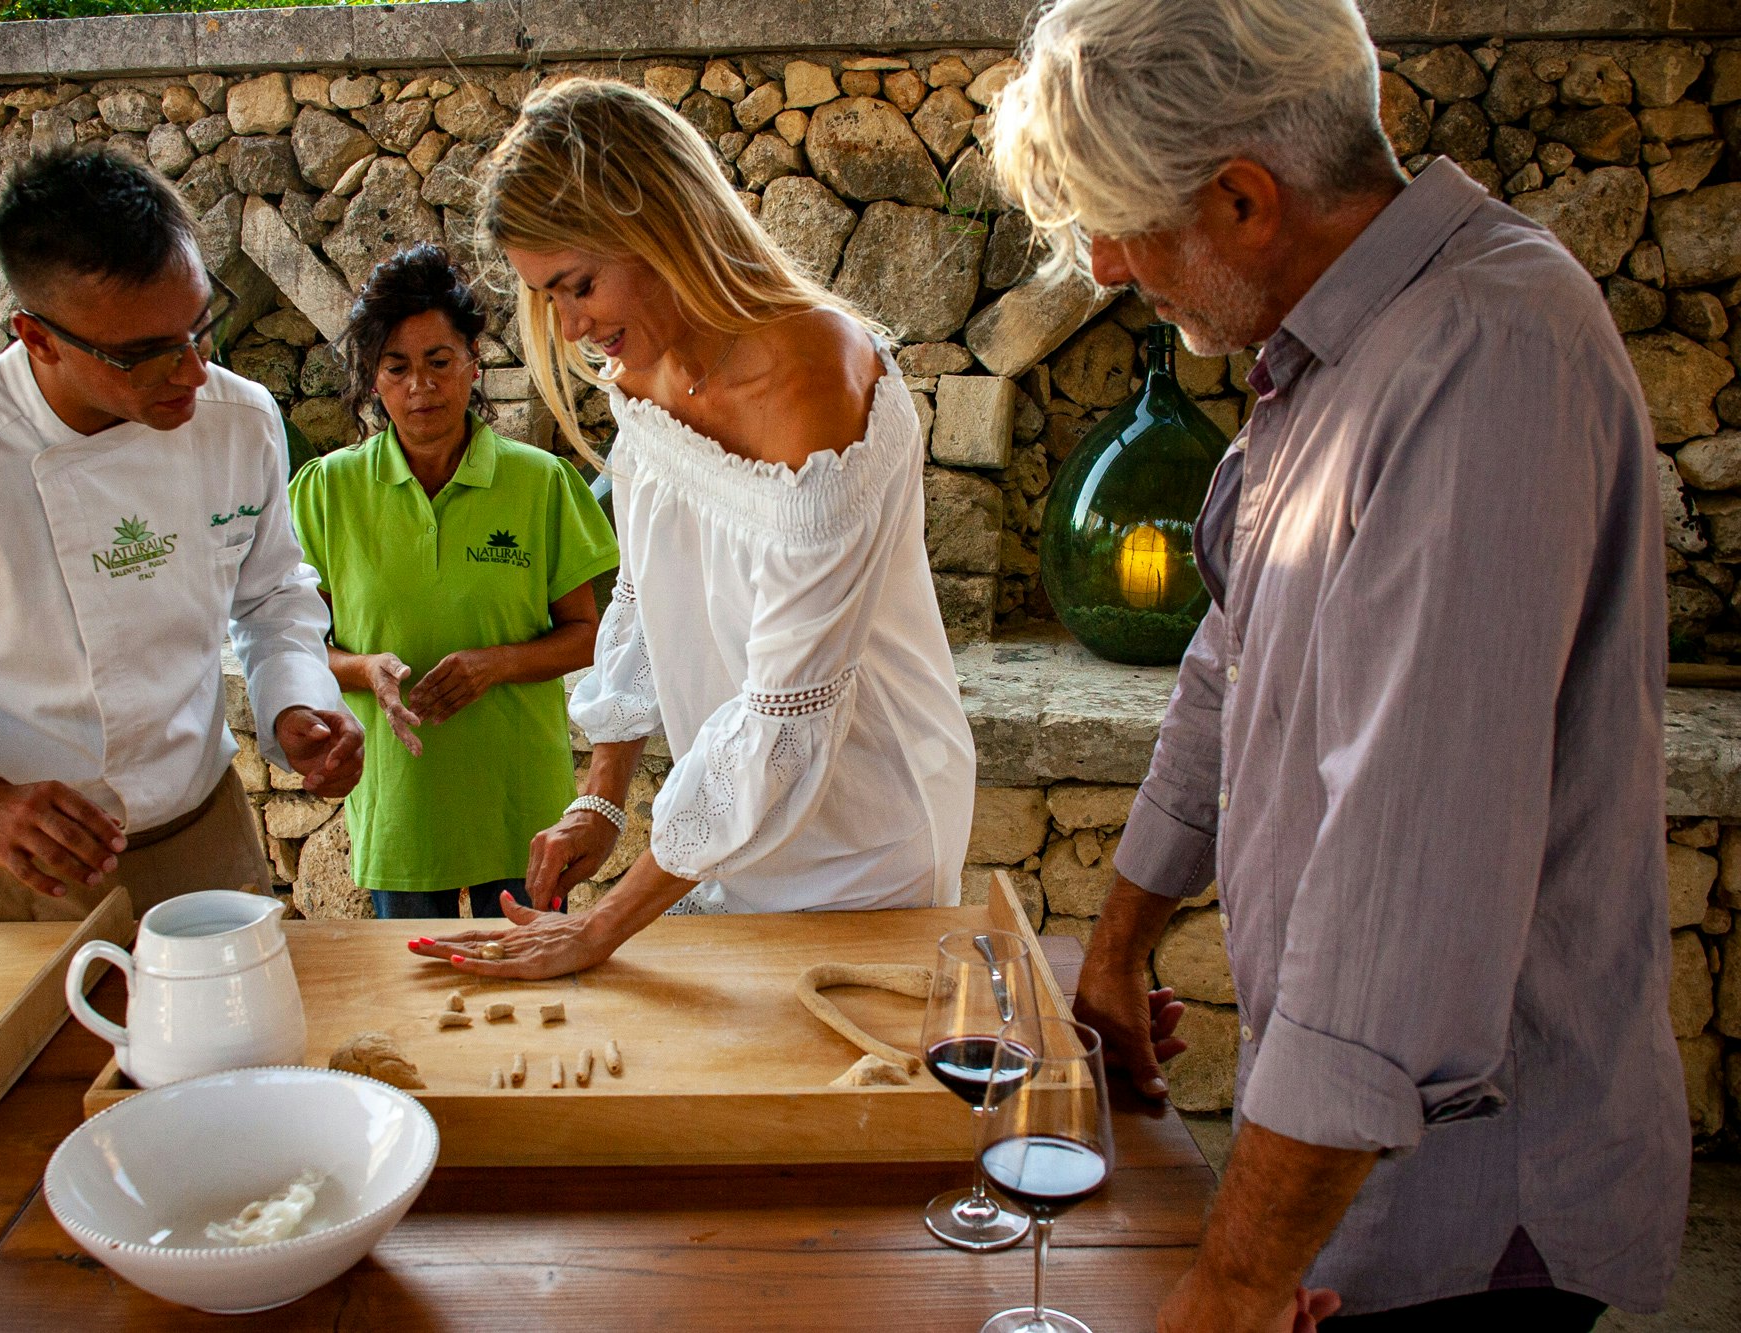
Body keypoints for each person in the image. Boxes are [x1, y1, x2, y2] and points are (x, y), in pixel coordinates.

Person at [990, 0, 1690, 1327]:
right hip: (1360, 1177)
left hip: (1471, 1217)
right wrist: (1124, 935)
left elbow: (1404, 883)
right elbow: (1230, 654)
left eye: (1118, 227)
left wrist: (1237, 1278)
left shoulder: (1487, 352)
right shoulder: (1338, 346)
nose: (1108, 265)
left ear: (1244, 199)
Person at [405, 78, 975, 978]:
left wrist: (601, 926)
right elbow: (645, 588)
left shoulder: (818, 380)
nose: (573, 327)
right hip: (726, 828)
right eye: (548, 297)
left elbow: (786, 717)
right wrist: (602, 796)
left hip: (866, 828)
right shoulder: (641, 368)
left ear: (663, 224)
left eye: (580, 285)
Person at [0, 146, 362, 923]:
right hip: (12, 870)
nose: (190, 373)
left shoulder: (239, 421)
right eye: (144, 355)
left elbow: (274, 592)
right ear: (36, 336)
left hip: (202, 840)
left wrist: (296, 704)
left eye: (199, 327)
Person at [288, 244, 618, 919]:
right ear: (371, 379)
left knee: (537, 1013)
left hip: (521, 807)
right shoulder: (329, 492)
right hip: (402, 810)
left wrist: (494, 665)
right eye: (397, 368)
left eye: (439, 362)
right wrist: (363, 668)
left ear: (473, 361)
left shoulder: (540, 484)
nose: (421, 388)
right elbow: (292, 646)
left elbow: (590, 637)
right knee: (416, 1006)